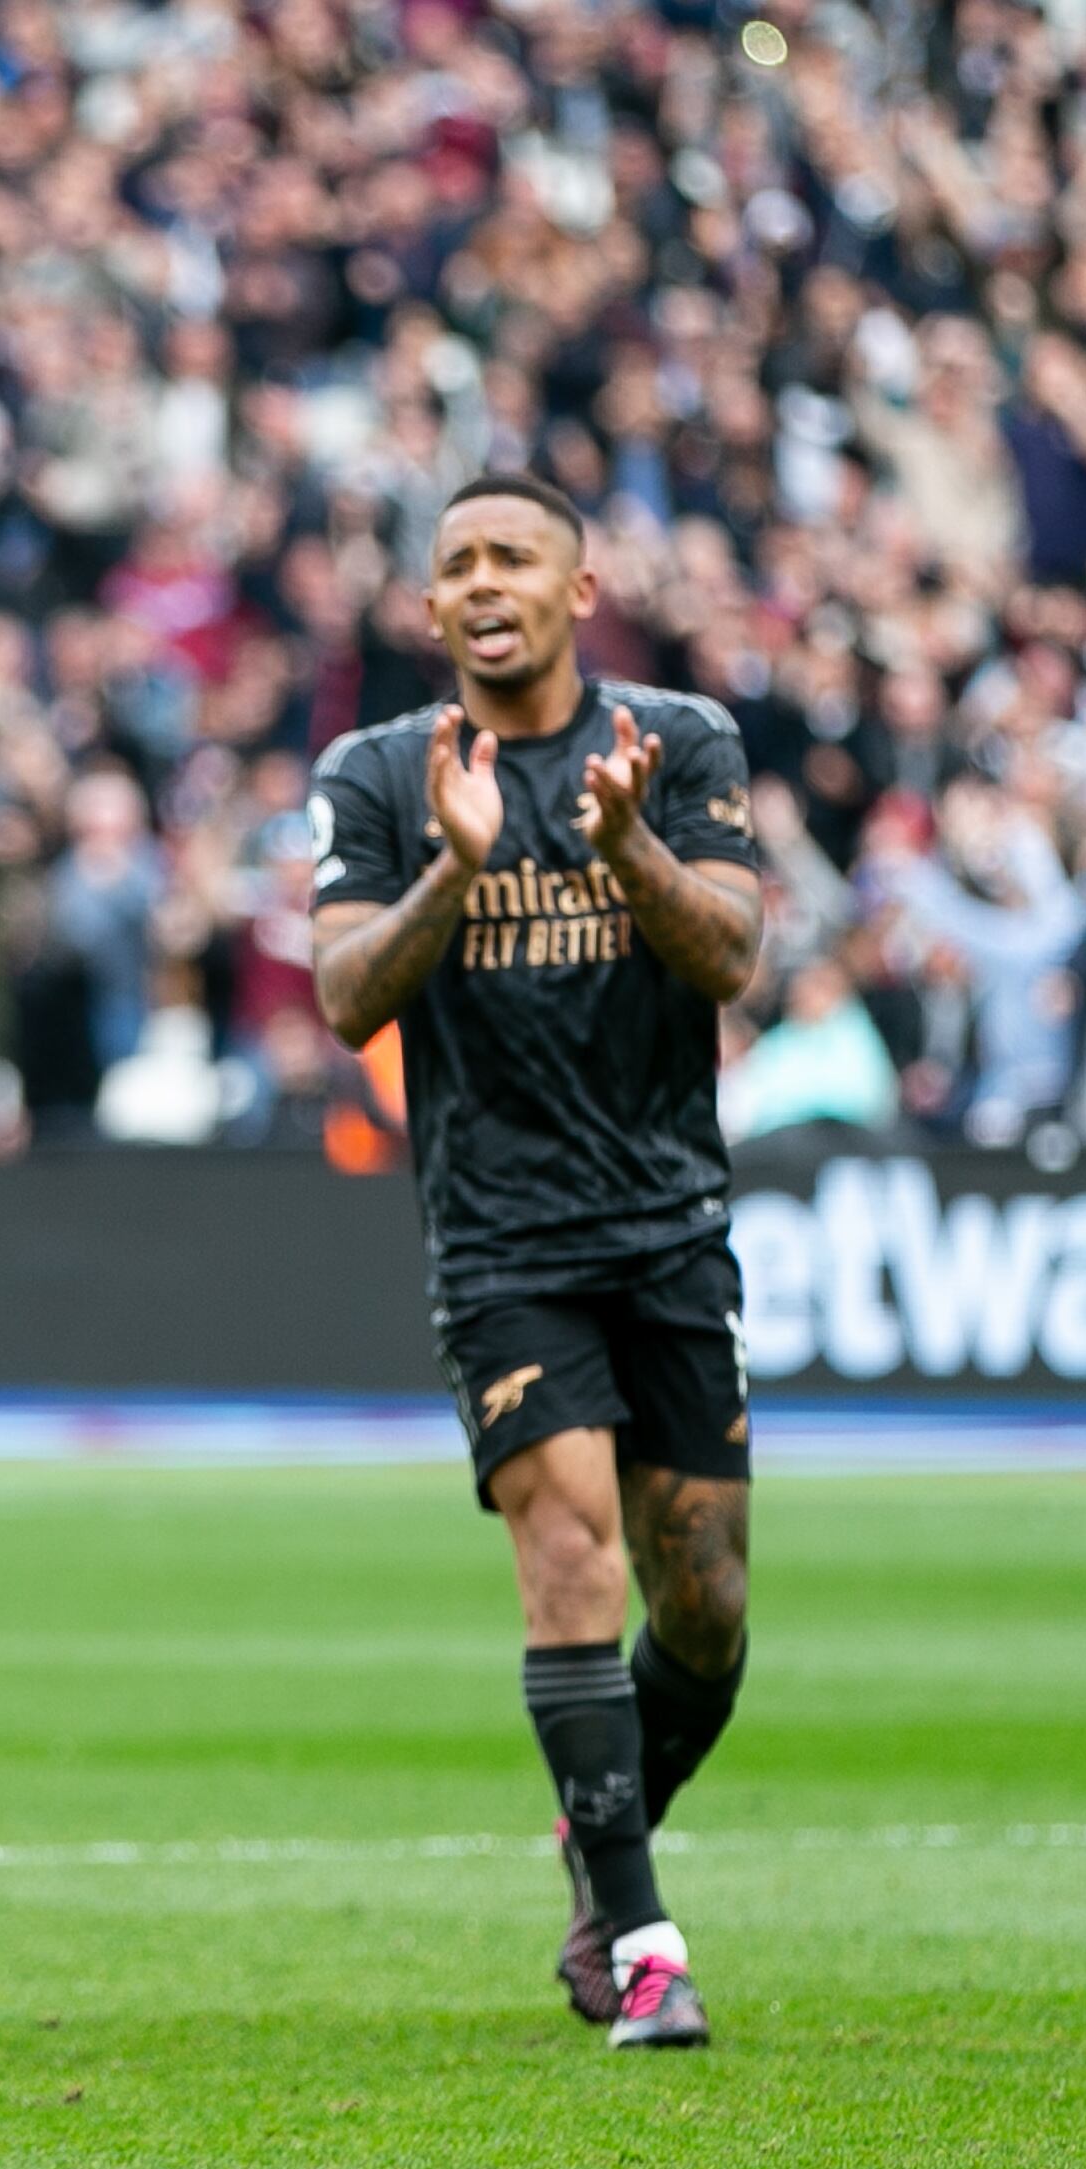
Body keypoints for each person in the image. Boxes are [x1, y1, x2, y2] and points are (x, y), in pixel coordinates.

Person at [308, 475, 765, 2052]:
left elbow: (729, 953)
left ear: (584, 587)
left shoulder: (680, 744)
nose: (484, 582)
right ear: (428, 611)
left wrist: (626, 844)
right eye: (456, 567)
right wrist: (453, 865)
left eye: (515, 558)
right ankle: (643, 1943)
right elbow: (346, 1000)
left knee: (704, 1604)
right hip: (501, 1242)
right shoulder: (379, 774)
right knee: (571, 1554)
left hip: (671, 1228)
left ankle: (597, 1829)